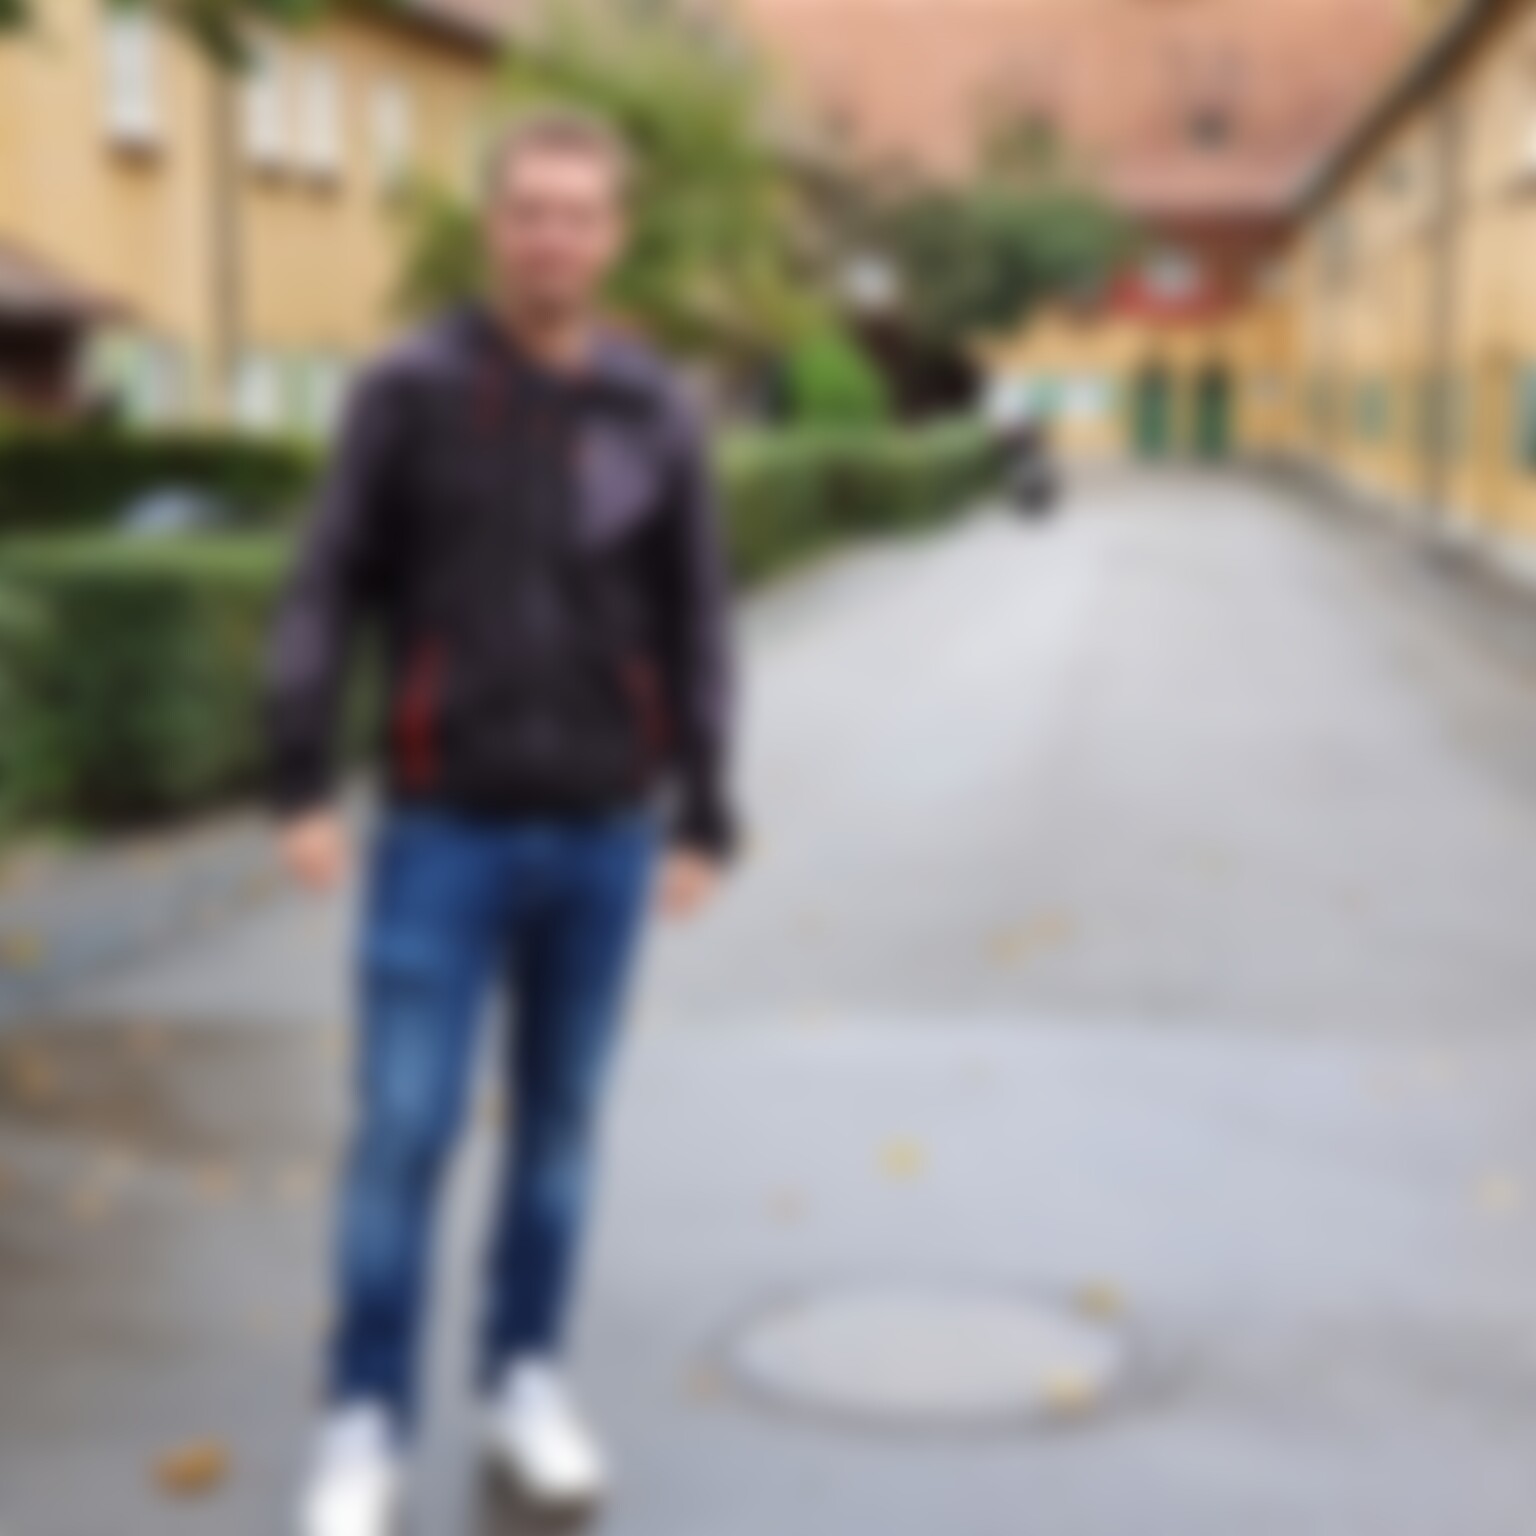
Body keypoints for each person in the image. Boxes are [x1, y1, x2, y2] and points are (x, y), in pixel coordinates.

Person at [265, 108, 737, 1536]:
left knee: (560, 1130)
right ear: (494, 226)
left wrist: (706, 808)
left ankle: (525, 1380)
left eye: (578, 215)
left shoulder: (656, 409)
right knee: (404, 1131)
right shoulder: (407, 390)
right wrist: (298, 774)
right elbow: (326, 581)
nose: (552, 238)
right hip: (443, 831)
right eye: (530, 210)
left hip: (604, 834)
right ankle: (365, 1421)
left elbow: (698, 614)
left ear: (614, 237)